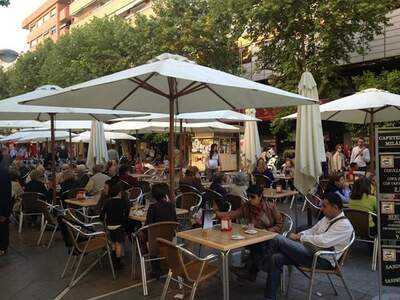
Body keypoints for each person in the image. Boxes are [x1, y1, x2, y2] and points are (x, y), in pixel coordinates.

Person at [263, 193, 354, 300]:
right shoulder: (327, 218)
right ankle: (269, 297)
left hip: (322, 260)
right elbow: (312, 230)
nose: (321, 209)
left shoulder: (344, 225)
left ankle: (261, 264)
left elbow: (323, 241)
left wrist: (300, 238)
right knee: (276, 258)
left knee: (277, 239)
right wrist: (301, 235)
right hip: (309, 251)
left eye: (325, 206)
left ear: (335, 207)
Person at [217, 185, 283, 281]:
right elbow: (234, 213)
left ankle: (250, 271)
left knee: (257, 245)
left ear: (260, 196)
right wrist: (218, 214)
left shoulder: (271, 207)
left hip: (270, 238)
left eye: (253, 197)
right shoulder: (247, 206)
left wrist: (268, 232)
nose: (250, 199)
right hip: (254, 237)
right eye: (248, 196)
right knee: (253, 244)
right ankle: (250, 271)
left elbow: (280, 224)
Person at [100, 181, 129, 270]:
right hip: (119, 225)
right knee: (118, 243)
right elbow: (127, 214)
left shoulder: (107, 202)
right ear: (120, 193)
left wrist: (104, 222)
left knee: (113, 243)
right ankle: (118, 262)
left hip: (109, 226)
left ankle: (113, 257)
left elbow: (101, 215)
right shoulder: (123, 202)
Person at [0, 152, 12, 256]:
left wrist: (4, 212)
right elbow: (7, 194)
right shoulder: (4, 173)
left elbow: (5, 194)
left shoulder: (3, 174)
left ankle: (2, 248)